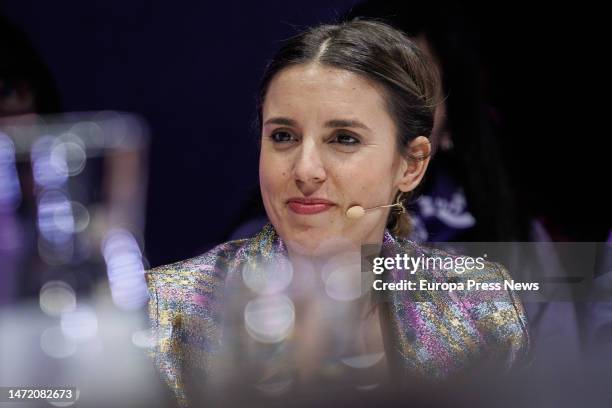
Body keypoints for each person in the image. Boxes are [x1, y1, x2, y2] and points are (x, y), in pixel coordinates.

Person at [145, 19, 529, 407]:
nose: (304, 169)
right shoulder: (168, 312)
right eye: (283, 136)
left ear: (410, 165)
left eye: (344, 139)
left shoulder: (478, 307)